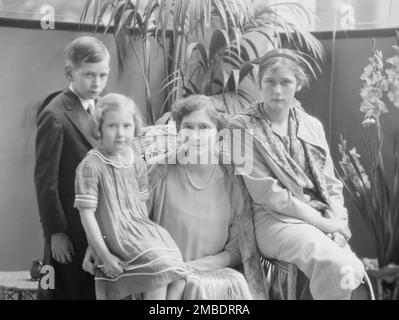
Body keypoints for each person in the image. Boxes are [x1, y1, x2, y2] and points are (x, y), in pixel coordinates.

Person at [228, 49, 366, 300]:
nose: (277, 90)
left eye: (285, 82)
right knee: (337, 266)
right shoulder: (238, 127)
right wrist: (322, 223)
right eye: (269, 82)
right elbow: (265, 192)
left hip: (320, 214)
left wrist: (338, 219)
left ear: (298, 85)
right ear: (260, 83)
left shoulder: (311, 125)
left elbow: (330, 182)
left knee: (351, 269)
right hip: (273, 219)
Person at [147, 95, 267, 299]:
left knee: (197, 286)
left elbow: (238, 249)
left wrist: (187, 269)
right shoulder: (159, 171)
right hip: (160, 275)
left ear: (219, 133)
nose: (195, 135)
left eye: (204, 127)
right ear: (178, 130)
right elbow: (134, 223)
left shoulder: (235, 179)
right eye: (188, 126)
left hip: (210, 276)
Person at [74, 93, 187, 300]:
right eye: (112, 126)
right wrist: (103, 254)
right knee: (160, 269)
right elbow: (88, 215)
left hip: (139, 230)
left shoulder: (135, 161)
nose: (120, 133)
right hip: (116, 236)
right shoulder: (91, 165)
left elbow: (141, 204)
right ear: (99, 128)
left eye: (127, 126)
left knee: (177, 271)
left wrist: (148, 234)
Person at [34, 36, 110, 300]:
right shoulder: (54, 115)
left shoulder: (100, 109)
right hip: (69, 230)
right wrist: (55, 232)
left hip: (95, 228)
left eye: (103, 75)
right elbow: (46, 182)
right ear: (70, 72)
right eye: (89, 75)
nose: (97, 83)